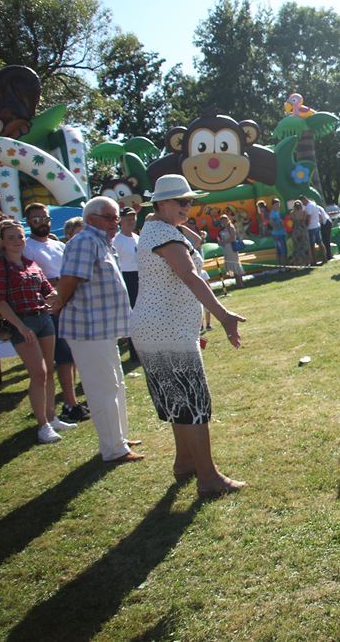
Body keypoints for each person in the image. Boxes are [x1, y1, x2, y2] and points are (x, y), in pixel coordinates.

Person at [130, 175, 246, 497]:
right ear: (161, 203)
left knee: (177, 401)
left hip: (155, 328)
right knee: (194, 403)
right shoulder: (164, 235)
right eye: (181, 201)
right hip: (168, 330)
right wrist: (224, 317)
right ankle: (208, 478)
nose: (188, 206)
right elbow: (190, 277)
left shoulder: (157, 229)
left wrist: (181, 225)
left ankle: (184, 463)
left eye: (190, 201)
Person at [52, 196, 143, 464]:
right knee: (103, 389)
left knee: (115, 385)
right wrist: (59, 303)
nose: (116, 222)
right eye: (111, 217)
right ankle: (113, 448)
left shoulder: (103, 242)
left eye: (116, 217)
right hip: (88, 329)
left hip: (103, 329)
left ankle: (119, 439)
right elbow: (69, 280)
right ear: (91, 219)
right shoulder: (84, 241)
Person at [0, 219, 76, 444]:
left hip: (43, 319)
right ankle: (42, 425)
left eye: (20, 236)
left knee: (48, 371)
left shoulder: (31, 263)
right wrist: (20, 326)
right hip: (22, 322)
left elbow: (47, 290)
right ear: (3, 242)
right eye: (11, 238)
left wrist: (60, 294)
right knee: (38, 372)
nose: (17, 241)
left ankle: (51, 416)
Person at [22, 203, 88, 423]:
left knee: (73, 354)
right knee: (61, 358)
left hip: (70, 303)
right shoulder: (27, 247)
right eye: (36, 219)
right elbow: (37, 278)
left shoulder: (58, 245)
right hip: (50, 307)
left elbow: (70, 272)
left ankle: (73, 401)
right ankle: (68, 404)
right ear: (28, 221)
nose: (42, 222)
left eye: (45, 218)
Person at [113, 206, 141, 361]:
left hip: (139, 277)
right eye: (128, 219)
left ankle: (143, 348)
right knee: (132, 316)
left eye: (133, 218)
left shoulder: (136, 237)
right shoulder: (117, 240)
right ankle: (134, 352)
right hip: (126, 278)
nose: (131, 221)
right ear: (120, 220)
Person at [216, 214, 245, 288]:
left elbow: (232, 238)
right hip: (226, 249)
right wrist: (220, 242)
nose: (224, 222)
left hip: (232, 248)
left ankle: (241, 284)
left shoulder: (231, 227)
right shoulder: (222, 229)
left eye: (225, 220)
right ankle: (238, 283)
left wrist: (224, 242)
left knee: (235, 265)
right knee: (231, 266)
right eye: (222, 220)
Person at [289, 200, 312, 266]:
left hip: (296, 230)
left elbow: (291, 221)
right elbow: (304, 220)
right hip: (303, 229)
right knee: (305, 246)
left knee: (297, 247)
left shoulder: (292, 213)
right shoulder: (304, 212)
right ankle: (307, 262)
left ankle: (298, 263)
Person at [269, 198, 287, 266]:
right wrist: (279, 226)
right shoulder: (273, 213)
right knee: (282, 251)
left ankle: (281, 266)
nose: (278, 206)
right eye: (276, 204)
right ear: (273, 205)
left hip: (281, 233)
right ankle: (283, 267)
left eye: (278, 204)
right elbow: (271, 223)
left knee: (280, 251)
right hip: (277, 234)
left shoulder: (278, 212)